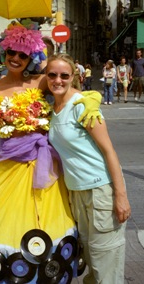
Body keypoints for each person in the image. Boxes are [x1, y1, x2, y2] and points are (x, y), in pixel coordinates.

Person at [0, 22, 102, 283]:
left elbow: (68, 86)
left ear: (31, 58)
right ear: (3, 53)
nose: (16, 58)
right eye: (11, 53)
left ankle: (46, 272)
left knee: (45, 222)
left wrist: (91, 100)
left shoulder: (39, 81)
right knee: (2, 223)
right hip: (9, 166)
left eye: (23, 54)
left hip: (44, 164)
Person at [46, 53, 131, 284]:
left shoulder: (81, 104)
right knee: (93, 263)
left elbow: (109, 151)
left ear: (73, 76)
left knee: (106, 265)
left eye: (64, 75)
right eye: (52, 74)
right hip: (77, 193)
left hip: (100, 190)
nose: (58, 80)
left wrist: (120, 196)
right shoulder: (53, 107)